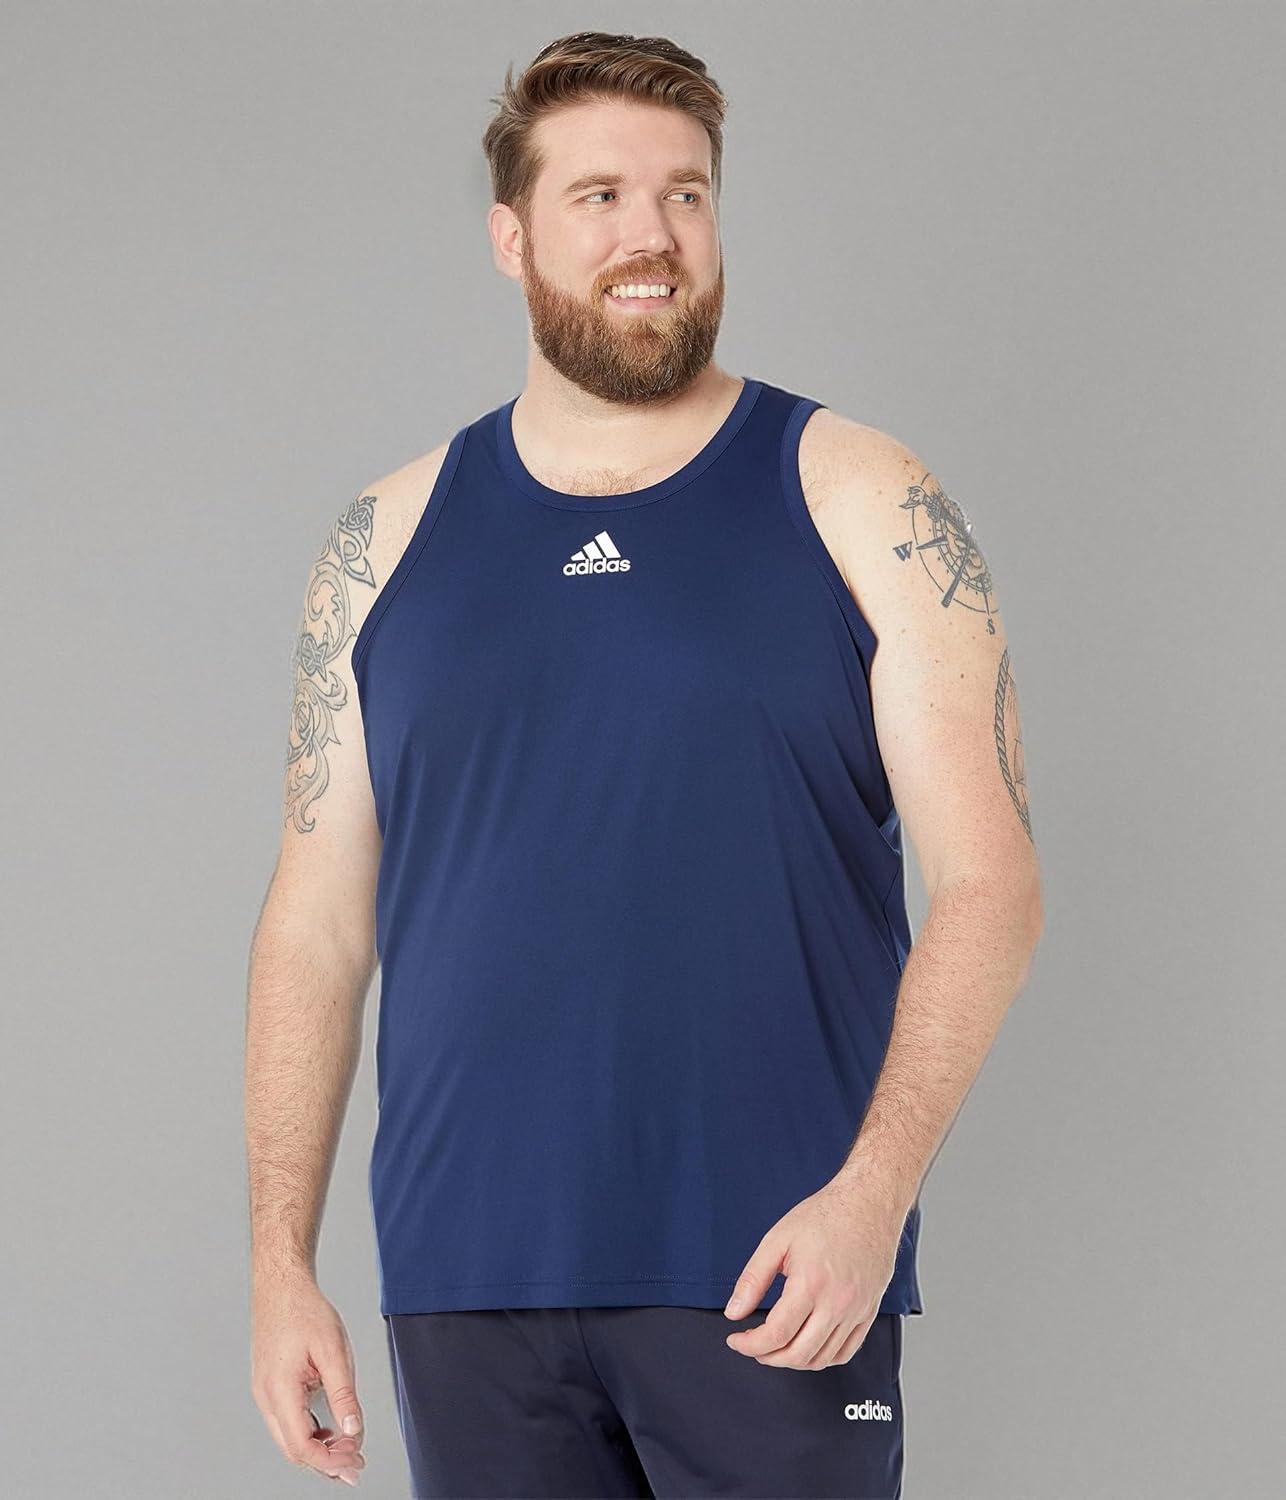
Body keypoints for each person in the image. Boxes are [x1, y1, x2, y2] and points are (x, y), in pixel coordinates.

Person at [245, 30, 1043, 1499]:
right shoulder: (383, 541)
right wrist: (279, 1263)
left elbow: (991, 883)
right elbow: (315, 926)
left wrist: (872, 1200)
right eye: (599, 197)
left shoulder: (862, 496)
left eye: (685, 195)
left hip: (777, 1267)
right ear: (512, 236)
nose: (651, 238)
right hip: (466, 1276)